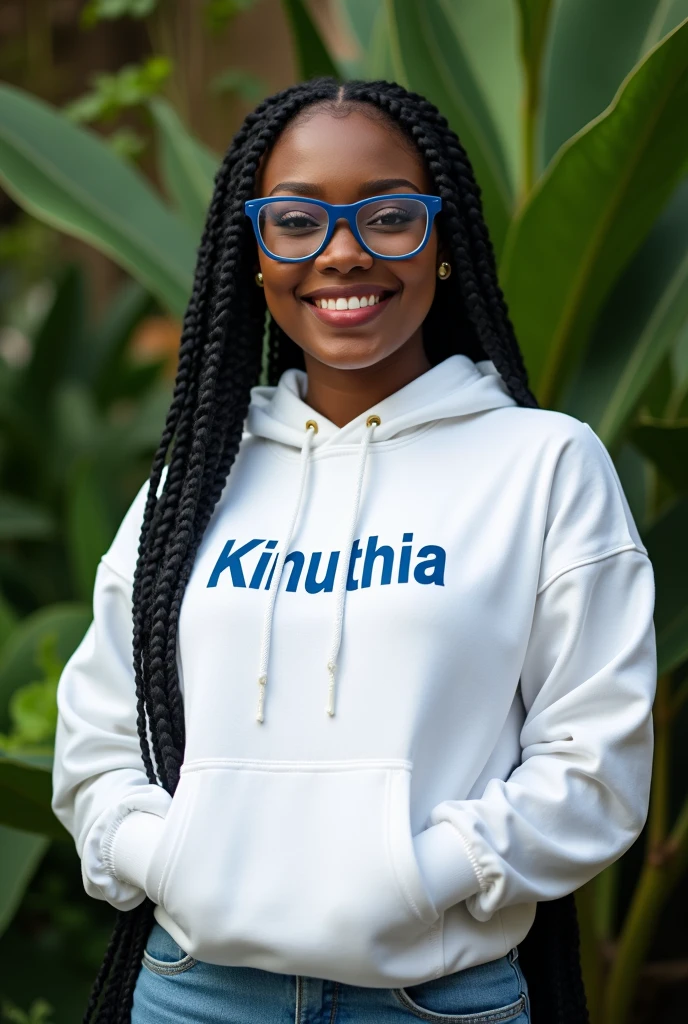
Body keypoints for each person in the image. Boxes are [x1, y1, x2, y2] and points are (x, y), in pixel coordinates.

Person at [51, 77, 657, 1024]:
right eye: (296, 221)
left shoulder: (543, 466)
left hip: (432, 998)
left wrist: (415, 880)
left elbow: (593, 764)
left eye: (388, 216)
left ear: (442, 243)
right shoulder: (195, 481)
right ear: (255, 253)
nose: (342, 253)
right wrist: (175, 861)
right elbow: (95, 741)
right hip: (194, 994)